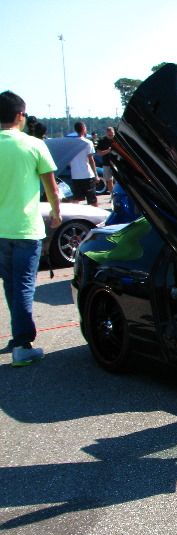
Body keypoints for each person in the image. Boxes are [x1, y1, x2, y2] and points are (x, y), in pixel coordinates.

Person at [0, 91, 61, 367]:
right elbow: (51, 188)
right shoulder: (34, 145)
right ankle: (23, 344)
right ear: (19, 115)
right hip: (26, 228)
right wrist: (57, 215)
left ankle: (17, 338)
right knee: (24, 285)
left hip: (1, 230)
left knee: (11, 284)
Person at [68, 121, 99, 206]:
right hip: (87, 174)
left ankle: (74, 215)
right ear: (83, 129)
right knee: (92, 199)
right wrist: (96, 175)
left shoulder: (71, 143)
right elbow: (91, 159)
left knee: (76, 199)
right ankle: (96, 216)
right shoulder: (88, 142)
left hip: (75, 175)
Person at [95, 126, 116, 192]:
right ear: (106, 133)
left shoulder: (116, 140)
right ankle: (112, 195)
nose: (111, 136)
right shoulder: (102, 141)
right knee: (109, 180)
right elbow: (99, 153)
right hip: (107, 163)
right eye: (109, 135)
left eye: (112, 135)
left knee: (118, 180)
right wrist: (108, 150)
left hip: (116, 163)